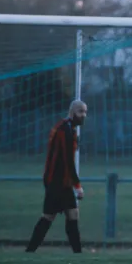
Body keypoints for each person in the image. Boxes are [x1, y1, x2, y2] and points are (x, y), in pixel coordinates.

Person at [26, 100, 88, 253]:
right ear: (72, 112)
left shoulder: (66, 128)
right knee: (48, 217)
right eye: (81, 111)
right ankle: (30, 251)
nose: (84, 115)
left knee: (72, 214)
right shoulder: (65, 131)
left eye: (85, 112)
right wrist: (78, 186)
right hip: (57, 182)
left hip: (61, 182)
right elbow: (68, 161)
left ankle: (77, 253)